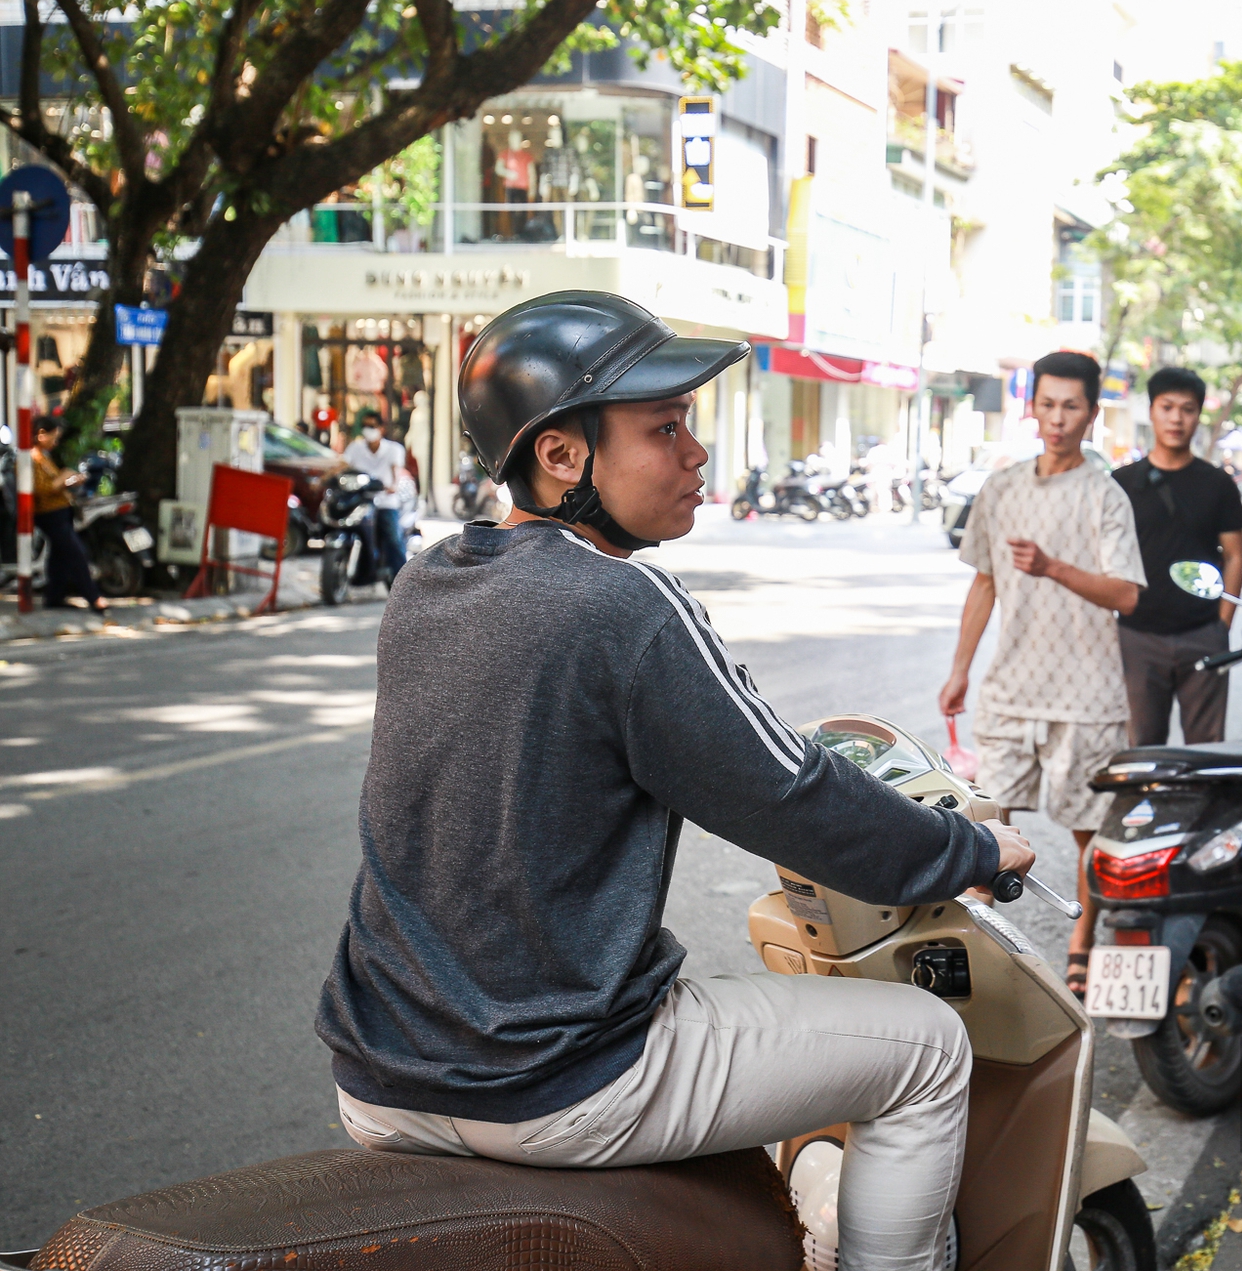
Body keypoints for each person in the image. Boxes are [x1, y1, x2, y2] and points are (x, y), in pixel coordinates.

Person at [318, 291, 1032, 1271]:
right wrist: (972, 849)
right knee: (926, 1052)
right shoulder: (623, 602)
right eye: (664, 427)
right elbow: (792, 796)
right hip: (557, 1078)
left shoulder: (428, 580)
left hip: (379, 1071)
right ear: (562, 456)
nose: (696, 453)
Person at [938, 350, 1145, 995]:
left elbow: (1127, 595)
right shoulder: (1000, 489)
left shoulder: (1105, 496)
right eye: (1048, 404)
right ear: (1032, 406)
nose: (1058, 419)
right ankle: (977, 940)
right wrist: (960, 670)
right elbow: (984, 583)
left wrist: (1054, 566)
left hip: (1088, 697)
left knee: (1089, 831)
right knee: (987, 823)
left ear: (1092, 412)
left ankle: (1082, 937)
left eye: (1072, 407)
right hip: (1011, 691)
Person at [1111, 367, 1242, 747]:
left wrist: (1222, 626)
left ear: (1198, 415)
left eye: (1187, 409)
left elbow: (1235, 556)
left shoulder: (1218, 484)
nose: (1176, 418)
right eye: (1167, 407)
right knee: (1141, 749)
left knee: (1206, 751)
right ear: (1152, 410)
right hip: (1136, 636)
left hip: (1202, 633)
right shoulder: (1120, 484)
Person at [29, 415, 106, 611]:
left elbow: (56, 483)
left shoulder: (44, 457)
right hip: (49, 512)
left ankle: (54, 597)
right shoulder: (32, 458)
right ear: (41, 434)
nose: (56, 442)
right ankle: (93, 597)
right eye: (54, 437)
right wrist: (65, 476)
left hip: (61, 509)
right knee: (75, 553)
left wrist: (70, 479)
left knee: (60, 556)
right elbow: (43, 488)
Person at [340, 408, 410, 586]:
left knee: (393, 539)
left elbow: (396, 471)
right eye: (364, 426)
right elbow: (341, 466)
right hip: (360, 502)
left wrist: (393, 485)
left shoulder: (393, 449)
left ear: (381, 428)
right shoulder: (355, 448)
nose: (368, 429)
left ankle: (402, 583)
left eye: (372, 426)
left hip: (385, 502)